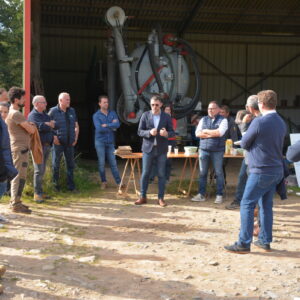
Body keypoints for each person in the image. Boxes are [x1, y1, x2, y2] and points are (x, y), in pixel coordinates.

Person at [225, 90, 286, 254]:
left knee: (246, 204)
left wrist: (244, 126)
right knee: (266, 205)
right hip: (276, 170)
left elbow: (244, 143)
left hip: (261, 170)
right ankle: (265, 241)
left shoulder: (259, 122)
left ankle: (244, 243)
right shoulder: (281, 122)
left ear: (261, 104)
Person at [135, 95, 175, 207]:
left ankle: (161, 198)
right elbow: (139, 131)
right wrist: (149, 132)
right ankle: (143, 197)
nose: (154, 107)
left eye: (157, 105)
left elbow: (172, 132)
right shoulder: (145, 115)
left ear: (161, 105)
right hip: (148, 149)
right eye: (152, 104)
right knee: (145, 173)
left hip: (161, 149)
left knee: (161, 174)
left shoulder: (166, 117)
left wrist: (167, 134)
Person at [226, 95, 260, 210]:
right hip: (248, 155)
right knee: (242, 178)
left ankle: (253, 205)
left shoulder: (258, 120)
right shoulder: (250, 117)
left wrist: (244, 126)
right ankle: (238, 200)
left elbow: (247, 138)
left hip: (254, 156)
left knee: (252, 180)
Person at [6, 87, 35, 214]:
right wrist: (31, 126)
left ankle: (16, 201)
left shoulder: (13, 113)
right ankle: (15, 203)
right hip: (20, 150)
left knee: (20, 176)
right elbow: (31, 130)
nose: (25, 100)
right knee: (18, 176)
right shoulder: (15, 114)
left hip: (20, 149)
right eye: (23, 98)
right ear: (16, 100)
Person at [191, 101, 228, 204]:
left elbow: (220, 133)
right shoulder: (203, 119)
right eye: (209, 109)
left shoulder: (223, 120)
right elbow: (197, 133)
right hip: (204, 150)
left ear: (218, 110)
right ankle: (201, 194)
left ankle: (219, 195)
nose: (210, 110)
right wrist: (212, 134)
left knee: (219, 172)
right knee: (203, 173)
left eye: (212, 108)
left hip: (217, 150)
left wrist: (206, 131)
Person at [49, 92, 79, 192]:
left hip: (70, 143)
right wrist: (53, 137)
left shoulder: (72, 111)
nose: (69, 101)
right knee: (55, 165)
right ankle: (55, 186)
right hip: (58, 144)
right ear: (60, 100)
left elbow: (76, 125)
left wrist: (76, 137)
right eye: (67, 100)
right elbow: (48, 126)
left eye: (69, 99)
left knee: (70, 165)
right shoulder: (53, 111)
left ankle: (71, 187)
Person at [28, 95, 55, 202]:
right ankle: (37, 194)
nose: (46, 104)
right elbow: (39, 127)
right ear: (36, 104)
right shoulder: (32, 115)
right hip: (38, 146)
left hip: (47, 145)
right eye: (43, 102)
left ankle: (40, 192)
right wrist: (47, 125)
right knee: (38, 170)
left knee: (42, 170)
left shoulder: (45, 114)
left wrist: (47, 124)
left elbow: (51, 125)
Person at [93, 95, 121, 189]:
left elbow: (117, 125)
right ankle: (103, 182)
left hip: (110, 142)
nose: (106, 104)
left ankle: (119, 183)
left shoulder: (112, 113)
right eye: (104, 102)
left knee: (113, 163)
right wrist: (111, 126)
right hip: (100, 142)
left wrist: (107, 125)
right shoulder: (96, 115)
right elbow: (99, 128)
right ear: (99, 104)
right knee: (101, 163)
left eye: (107, 102)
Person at [149, 104, 177, 183]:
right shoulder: (159, 118)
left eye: (169, 110)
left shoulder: (173, 120)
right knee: (154, 160)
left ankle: (166, 178)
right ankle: (151, 178)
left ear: (171, 112)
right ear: (163, 111)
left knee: (168, 161)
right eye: (166, 110)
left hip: (170, 141)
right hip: (161, 141)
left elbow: (172, 130)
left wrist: (164, 131)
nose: (168, 111)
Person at [0, 103, 18, 221]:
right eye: (1, 111)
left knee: (3, 186)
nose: (3, 114)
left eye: (6, 112)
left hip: (5, 159)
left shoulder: (4, 125)